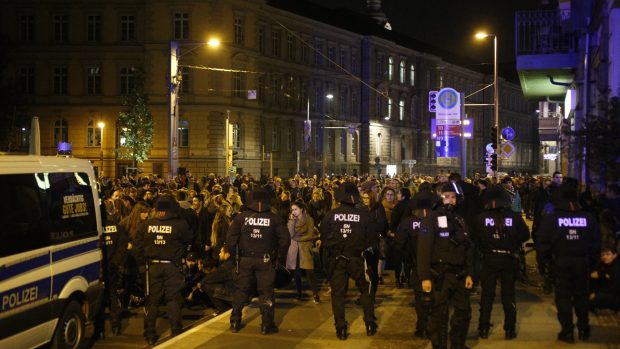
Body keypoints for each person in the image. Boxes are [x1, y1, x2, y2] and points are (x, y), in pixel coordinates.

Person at [537, 182, 601, 343]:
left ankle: (567, 331)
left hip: (561, 261)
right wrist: (593, 264)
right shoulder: (588, 218)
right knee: (581, 296)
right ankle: (584, 328)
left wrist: (543, 263)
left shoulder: (552, 219)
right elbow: (596, 243)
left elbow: (543, 243)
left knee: (563, 297)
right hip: (582, 261)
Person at [226, 188, 290, 335]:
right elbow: (285, 240)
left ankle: (235, 321)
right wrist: (279, 256)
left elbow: (230, 240)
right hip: (266, 259)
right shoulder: (274, 218)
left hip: (245, 259)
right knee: (266, 292)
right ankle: (266, 325)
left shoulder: (241, 217)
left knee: (241, 290)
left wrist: (234, 256)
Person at [417, 183, 474, 349]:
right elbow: (424, 250)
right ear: (440, 198)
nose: (451, 200)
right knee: (439, 316)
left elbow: (468, 248)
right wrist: (425, 277)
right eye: (447, 196)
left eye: (453, 196)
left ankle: (458, 344)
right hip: (440, 275)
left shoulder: (460, 220)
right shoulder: (431, 219)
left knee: (463, 313)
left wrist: (469, 273)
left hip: (459, 274)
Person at [321, 182, 378, 340]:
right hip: (356, 258)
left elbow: (324, 238)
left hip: (337, 259)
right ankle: (369, 322)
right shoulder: (364, 215)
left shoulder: (331, 215)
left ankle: (341, 328)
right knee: (364, 290)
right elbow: (371, 239)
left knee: (338, 295)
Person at [472, 186, 530, 340]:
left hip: (489, 259)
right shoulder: (514, 216)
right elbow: (525, 234)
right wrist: (512, 243)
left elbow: (474, 237)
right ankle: (509, 328)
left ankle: (483, 327)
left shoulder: (480, 218)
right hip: (508, 259)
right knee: (508, 295)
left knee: (487, 295)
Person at [136, 195, 193, 346]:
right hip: (172, 265)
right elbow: (189, 239)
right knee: (173, 299)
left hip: (152, 266)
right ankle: (175, 329)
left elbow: (137, 247)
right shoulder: (180, 224)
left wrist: (142, 265)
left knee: (152, 301)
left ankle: (150, 334)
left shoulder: (146, 225)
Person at [394, 190, 436, 339]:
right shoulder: (438, 220)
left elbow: (398, 244)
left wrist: (406, 259)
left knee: (420, 297)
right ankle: (433, 326)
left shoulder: (407, 223)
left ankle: (422, 326)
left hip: (416, 264)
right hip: (436, 266)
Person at [98, 199, 129, 336]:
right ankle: (116, 326)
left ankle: (99, 330)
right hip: (112, 267)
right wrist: (115, 262)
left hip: (99, 268)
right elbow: (122, 247)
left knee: (99, 299)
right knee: (112, 296)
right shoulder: (116, 227)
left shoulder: (96, 229)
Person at [285, 200, 320, 302]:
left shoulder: (309, 219)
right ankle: (299, 293)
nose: (293, 212)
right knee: (296, 273)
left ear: (302, 209)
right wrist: (291, 221)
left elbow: (310, 235)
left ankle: (315, 294)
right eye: (292, 210)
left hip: (305, 248)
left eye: (295, 209)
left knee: (310, 272)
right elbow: (290, 234)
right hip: (294, 249)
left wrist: (298, 238)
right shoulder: (291, 220)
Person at [589, 245, 620, 312]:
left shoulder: (617, 268)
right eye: (603, 255)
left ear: (614, 255)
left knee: (597, 297)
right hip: (603, 291)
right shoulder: (602, 264)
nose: (605, 257)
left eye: (608, 254)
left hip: (615, 295)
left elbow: (614, 288)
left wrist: (596, 293)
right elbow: (593, 275)